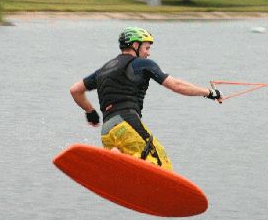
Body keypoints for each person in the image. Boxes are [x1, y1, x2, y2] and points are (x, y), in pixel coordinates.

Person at [70, 27, 222, 170]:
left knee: (133, 166)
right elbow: (175, 85)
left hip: (107, 131)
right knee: (161, 162)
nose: (148, 53)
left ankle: (115, 154)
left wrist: (90, 112)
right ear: (135, 45)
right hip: (127, 125)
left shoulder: (103, 69)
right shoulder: (141, 64)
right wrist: (208, 92)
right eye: (147, 48)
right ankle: (119, 157)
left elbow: (75, 90)